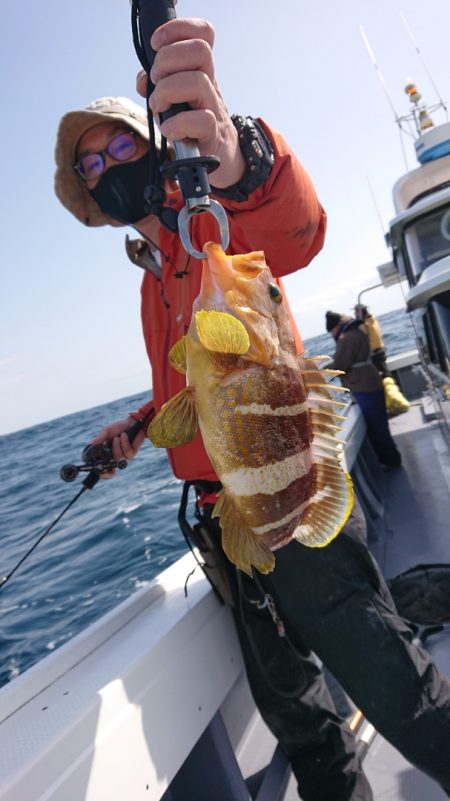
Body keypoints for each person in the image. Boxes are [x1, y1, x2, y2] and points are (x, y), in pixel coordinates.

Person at [54, 17, 450, 801]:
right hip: (225, 516)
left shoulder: (208, 226)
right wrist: (138, 428)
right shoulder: (153, 271)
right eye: (91, 163)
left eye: (122, 146)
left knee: (389, 682)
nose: (107, 166)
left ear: (160, 145)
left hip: (293, 499)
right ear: (89, 192)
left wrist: (238, 155)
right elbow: (196, 389)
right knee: (296, 714)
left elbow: (294, 226)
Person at [325, 311, 402, 469]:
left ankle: (392, 460)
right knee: (380, 424)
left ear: (335, 327)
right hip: (370, 382)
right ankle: (390, 458)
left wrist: (321, 373)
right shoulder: (356, 331)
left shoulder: (346, 338)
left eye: (331, 331)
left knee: (377, 427)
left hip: (364, 386)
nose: (332, 334)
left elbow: (340, 365)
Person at [353, 303, 389, 378]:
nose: (354, 313)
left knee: (385, 376)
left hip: (375, 356)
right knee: (386, 373)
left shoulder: (364, 325)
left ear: (360, 312)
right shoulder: (372, 320)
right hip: (381, 353)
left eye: (356, 312)